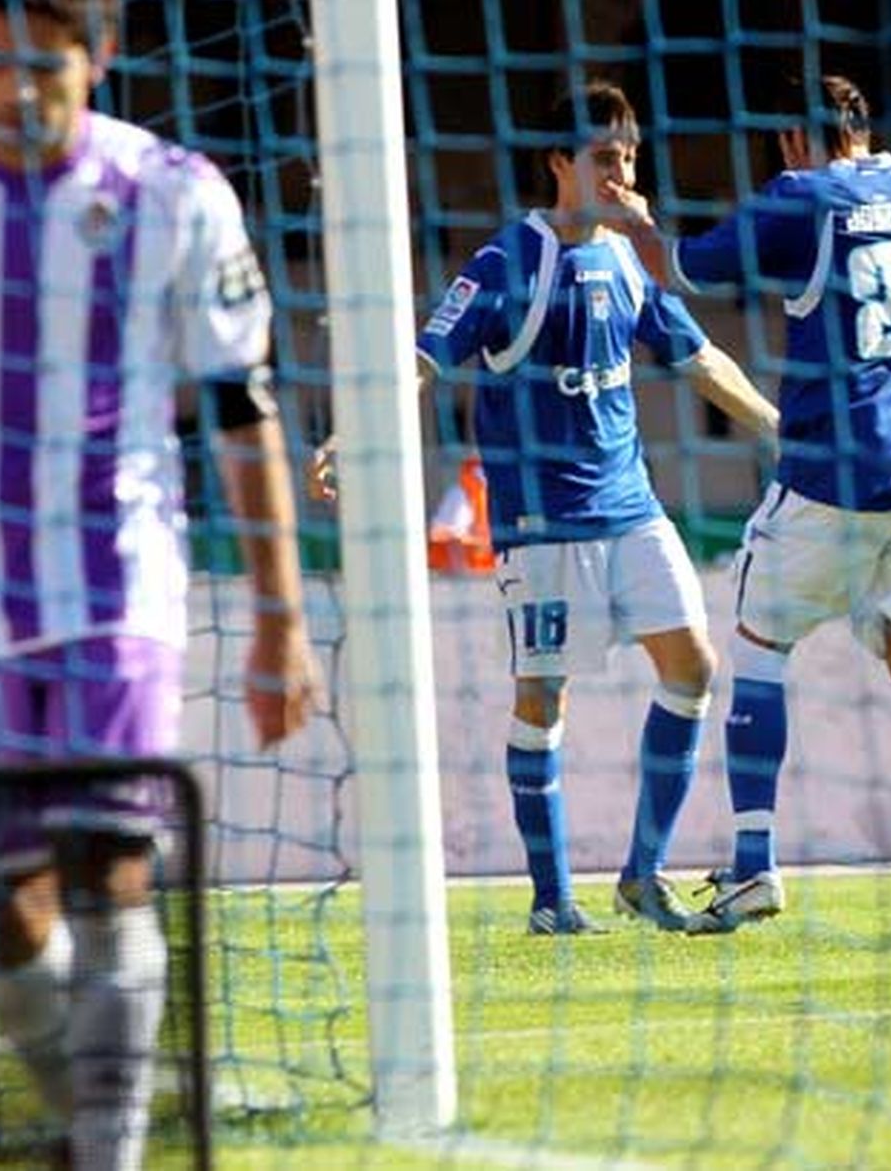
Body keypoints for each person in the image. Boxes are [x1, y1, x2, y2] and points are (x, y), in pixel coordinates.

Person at [0, 0, 317, 1166]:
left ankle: (104, 1153)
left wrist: (279, 619)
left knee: (110, 860)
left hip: (121, 580)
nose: (15, 89)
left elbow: (238, 406)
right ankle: (89, 1116)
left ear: (97, 58)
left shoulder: (173, 189)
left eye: (41, 64)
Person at [310, 81, 779, 936]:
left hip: (632, 509)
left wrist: (782, 431)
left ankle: (641, 874)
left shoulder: (627, 266)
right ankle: (552, 899)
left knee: (695, 669)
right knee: (542, 700)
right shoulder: (504, 265)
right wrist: (348, 434)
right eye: (606, 157)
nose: (622, 172)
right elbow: (424, 358)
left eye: (630, 158)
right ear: (560, 162)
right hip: (539, 526)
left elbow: (702, 359)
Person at [609, 75, 891, 924]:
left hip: (834, 470)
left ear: (792, 139)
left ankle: (754, 865)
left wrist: (636, 221)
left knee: (759, 645)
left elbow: (682, 268)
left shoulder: (804, 195)